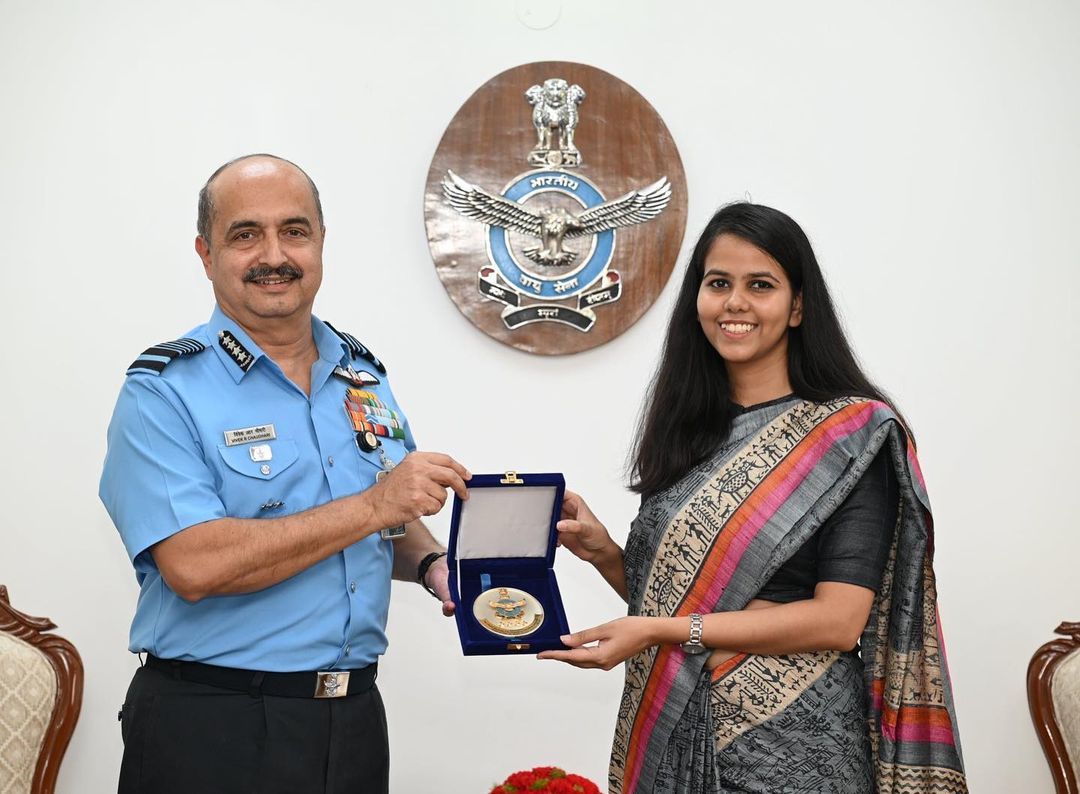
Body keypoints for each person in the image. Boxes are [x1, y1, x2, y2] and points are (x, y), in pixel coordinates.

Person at [539, 203, 967, 793]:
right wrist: (605, 552)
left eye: (759, 285)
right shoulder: (689, 434)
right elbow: (681, 600)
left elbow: (840, 620)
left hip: (799, 745)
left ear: (797, 306)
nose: (734, 303)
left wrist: (663, 633)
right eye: (719, 284)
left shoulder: (849, 437)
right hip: (683, 728)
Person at [99, 153, 470, 794]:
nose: (275, 253)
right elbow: (194, 565)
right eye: (246, 234)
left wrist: (434, 563)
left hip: (352, 722)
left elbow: (387, 522)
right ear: (205, 252)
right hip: (214, 726)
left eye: (294, 231)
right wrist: (376, 505)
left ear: (321, 242)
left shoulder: (362, 375)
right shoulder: (162, 393)